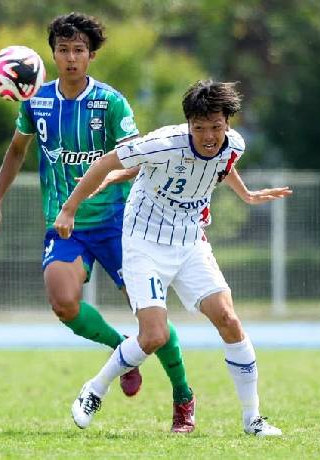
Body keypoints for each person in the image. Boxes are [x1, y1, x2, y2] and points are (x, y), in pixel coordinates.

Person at [0, 12, 198, 433]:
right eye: (63, 50)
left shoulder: (110, 102)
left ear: (91, 55)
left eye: (79, 50)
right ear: (53, 55)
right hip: (63, 224)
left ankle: (183, 395)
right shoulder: (36, 101)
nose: (71, 58)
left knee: (151, 319)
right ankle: (122, 349)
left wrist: (98, 184)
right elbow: (16, 153)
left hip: (119, 224)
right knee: (63, 302)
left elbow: (135, 160)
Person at [54, 79, 292, 436]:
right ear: (188, 124)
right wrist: (70, 208)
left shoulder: (234, 145)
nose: (209, 136)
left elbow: (223, 165)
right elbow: (106, 162)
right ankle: (95, 389)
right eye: (199, 128)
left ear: (228, 123)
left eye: (216, 127)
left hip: (190, 241)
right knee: (152, 336)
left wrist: (246, 195)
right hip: (144, 243)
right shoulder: (164, 142)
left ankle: (253, 419)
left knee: (228, 318)